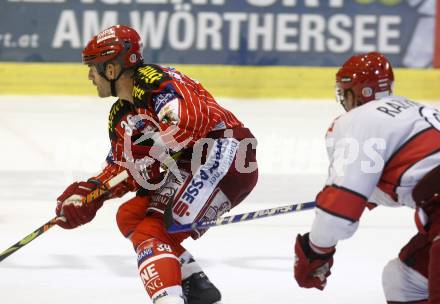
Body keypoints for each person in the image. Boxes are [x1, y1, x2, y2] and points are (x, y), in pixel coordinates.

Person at [55, 24, 258, 304]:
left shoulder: (156, 83)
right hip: (194, 162)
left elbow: (189, 122)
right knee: (130, 215)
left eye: (94, 67)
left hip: (225, 155)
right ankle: (194, 284)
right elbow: (125, 168)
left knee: (152, 231)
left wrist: (153, 151)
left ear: (112, 70)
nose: (90, 76)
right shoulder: (122, 113)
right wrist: (89, 194)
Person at [293, 51, 440, 303]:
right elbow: (410, 177)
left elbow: (340, 208)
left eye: (345, 92)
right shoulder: (419, 111)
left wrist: (316, 251)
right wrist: (368, 194)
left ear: (358, 93)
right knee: (403, 280)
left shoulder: (357, 119)